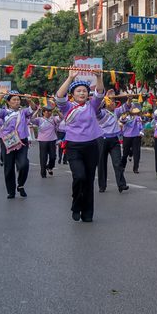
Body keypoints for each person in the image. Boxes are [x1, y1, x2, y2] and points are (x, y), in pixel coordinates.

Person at [55, 70, 105, 223]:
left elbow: (100, 92)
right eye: (79, 91)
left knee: (89, 180)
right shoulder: (67, 107)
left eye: (84, 91)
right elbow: (59, 96)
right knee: (79, 177)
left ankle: (88, 212)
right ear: (73, 94)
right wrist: (70, 78)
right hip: (73, 147)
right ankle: (76, 204)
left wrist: (98, 77)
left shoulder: (92, 105)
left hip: (92, 146)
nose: (82, 93)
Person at [0, 90, 38, 199]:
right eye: (14, 99)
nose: (17, 101)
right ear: (8, 102)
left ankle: (21, 184)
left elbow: (33, 109)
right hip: (8, 142)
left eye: (18, 99)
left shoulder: (23, 112)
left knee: (24, 164)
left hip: (22, 142)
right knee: (8, 168)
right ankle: (11, 191)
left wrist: (29, 100)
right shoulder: (4, 112)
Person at [96, 90, 129, 193]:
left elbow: (126, 107)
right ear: (106, 103)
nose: (113, 103)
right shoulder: (101, 113)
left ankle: (121, 184)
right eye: (111, 101)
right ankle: (102, 185)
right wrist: (103, 99)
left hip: (114, 140)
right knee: (101, 163)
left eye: (114, 101)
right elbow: (96, 109)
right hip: (102, 140)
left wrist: (129, 99)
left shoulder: (116, 111)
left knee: (118, 162)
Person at [31, 103, 60, 178]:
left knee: (53, 156)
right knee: (43, 157)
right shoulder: (39, 120)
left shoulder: (54, 119)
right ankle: (43, 172)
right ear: (43, 112)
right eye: (46, 111)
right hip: (42, 141)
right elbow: (31, 119)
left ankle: (49, 167)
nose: (48, 112)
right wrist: (37, 109)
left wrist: (58, 111)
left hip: (52, 140)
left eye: (50, 111)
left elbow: (62, 118)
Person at [120, 105, 143, 173]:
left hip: (136, 136)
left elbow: (140, 125)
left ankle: (136, 168)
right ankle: (123, 166)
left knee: (137, 153)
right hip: (126, 136)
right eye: (132, 109)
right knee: (125, 153)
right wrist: (126, 114)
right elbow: (122, 120)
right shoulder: (125, 116)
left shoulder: (138, 117)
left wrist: (141, 132)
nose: (133, 111)